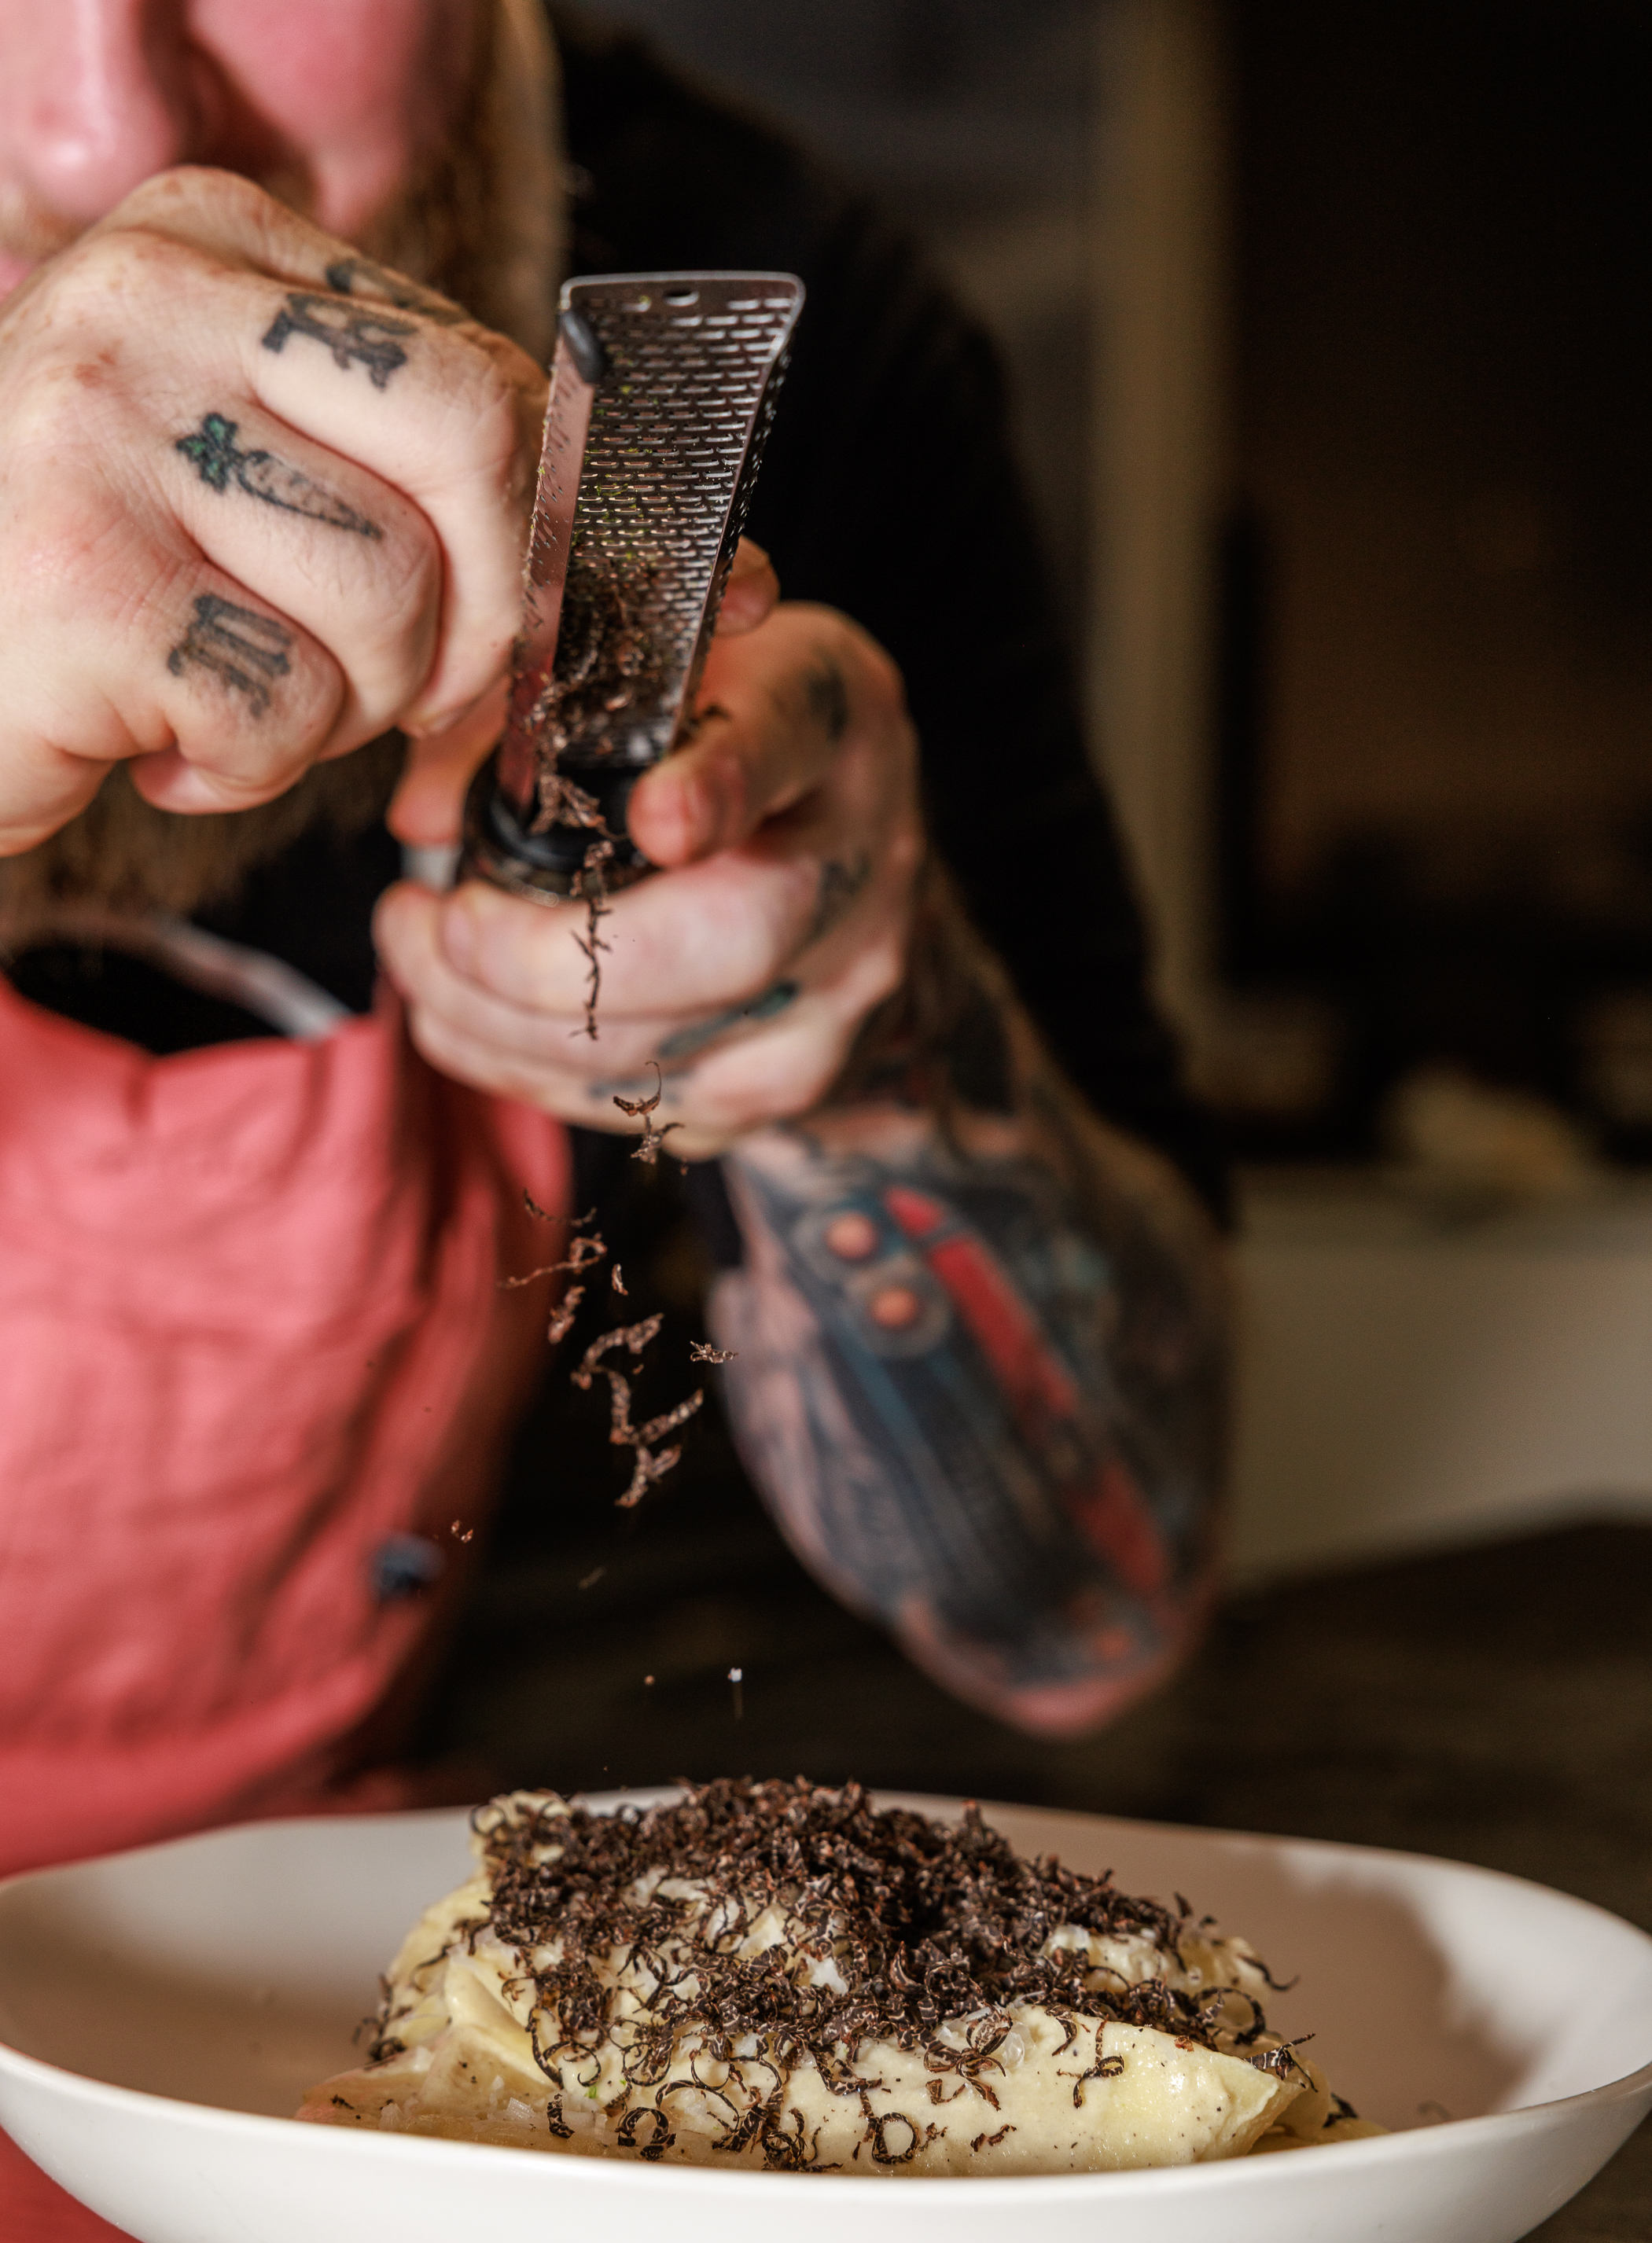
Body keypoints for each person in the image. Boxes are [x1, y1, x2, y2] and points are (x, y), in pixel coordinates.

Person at [0, 0, 1227, 1877]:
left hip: (275, 1994)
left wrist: (863, 1054)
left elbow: (1090, 1613)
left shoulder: (802, 334)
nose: (107, 139)